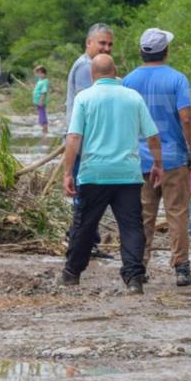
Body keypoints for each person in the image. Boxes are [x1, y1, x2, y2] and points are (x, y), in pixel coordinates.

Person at [59, 54, 162, 293]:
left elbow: (74, 137)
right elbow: (153, 136)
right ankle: (134, 278)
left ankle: (71, 273)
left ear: (93, 74)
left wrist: (67, 172)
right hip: (127, 175)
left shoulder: (84, 98)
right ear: (116, 71)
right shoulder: (133, 97)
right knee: (131, 227)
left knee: (84, 225)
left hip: (93, 174)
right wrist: (158, 164)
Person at [122, 28, 191, 287]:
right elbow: (187, 117)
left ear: (141, 52)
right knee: (177, 213)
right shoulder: (177, 79)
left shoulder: (128, 81)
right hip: (173, 157)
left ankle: (139, 267)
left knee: (143, 215)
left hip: (140, 159)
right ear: (166, 51)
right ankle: (181, 267)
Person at [64, 23, 115, 259]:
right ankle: (80, 243)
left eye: (110, 44)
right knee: (85, 195)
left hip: (83, 141)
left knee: (87, 194)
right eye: (102, 43)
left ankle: (84, 240)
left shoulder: (87, 64)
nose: (106, 48)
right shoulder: (87, 67)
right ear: (89, 43)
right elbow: (92, 106)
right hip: (84, 142)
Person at [32, 65, 50, 136]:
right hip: (37, 101)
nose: (38, 75)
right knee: (40, 114)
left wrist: (41, 101)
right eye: (37, 73)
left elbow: (43, 92)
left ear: (43, 73)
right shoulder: (40, 80)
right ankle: (43, 129)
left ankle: (45, 129)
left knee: (42, 115)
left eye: (39, 73)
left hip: (41, 102)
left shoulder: (45, 81)